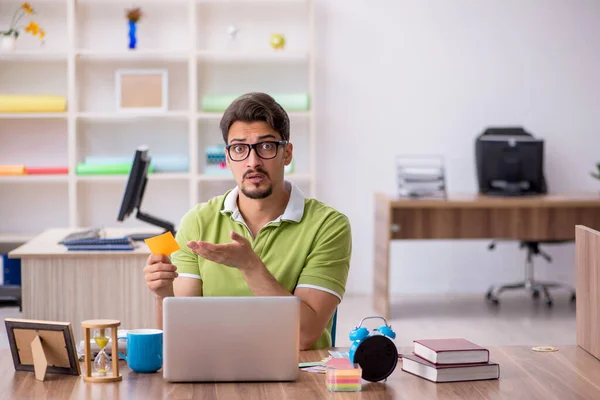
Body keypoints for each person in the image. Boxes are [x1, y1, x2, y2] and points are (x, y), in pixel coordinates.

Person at [143, 92, 352, 350]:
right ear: (228, 158)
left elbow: (304, 336)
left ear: (286, 154)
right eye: (240, 148)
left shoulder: (328, 226)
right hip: (213, 367)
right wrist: (163, 294)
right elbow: (179, 337)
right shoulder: (197, 222)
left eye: (266, 146)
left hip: (298, 372)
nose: (253, 162)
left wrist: (250, 266)